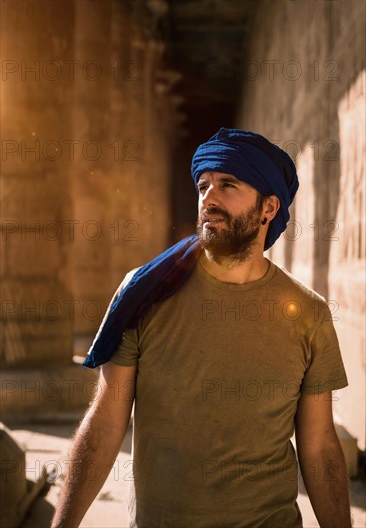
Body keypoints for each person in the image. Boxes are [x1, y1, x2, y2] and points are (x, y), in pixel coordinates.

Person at [52, 128, 352, 528]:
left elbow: (318, 446)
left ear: (269, 207)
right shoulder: (145, 295)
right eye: (203, 185)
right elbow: (106, 421)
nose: (209, 197)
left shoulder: (309, 314)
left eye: (228, 185)